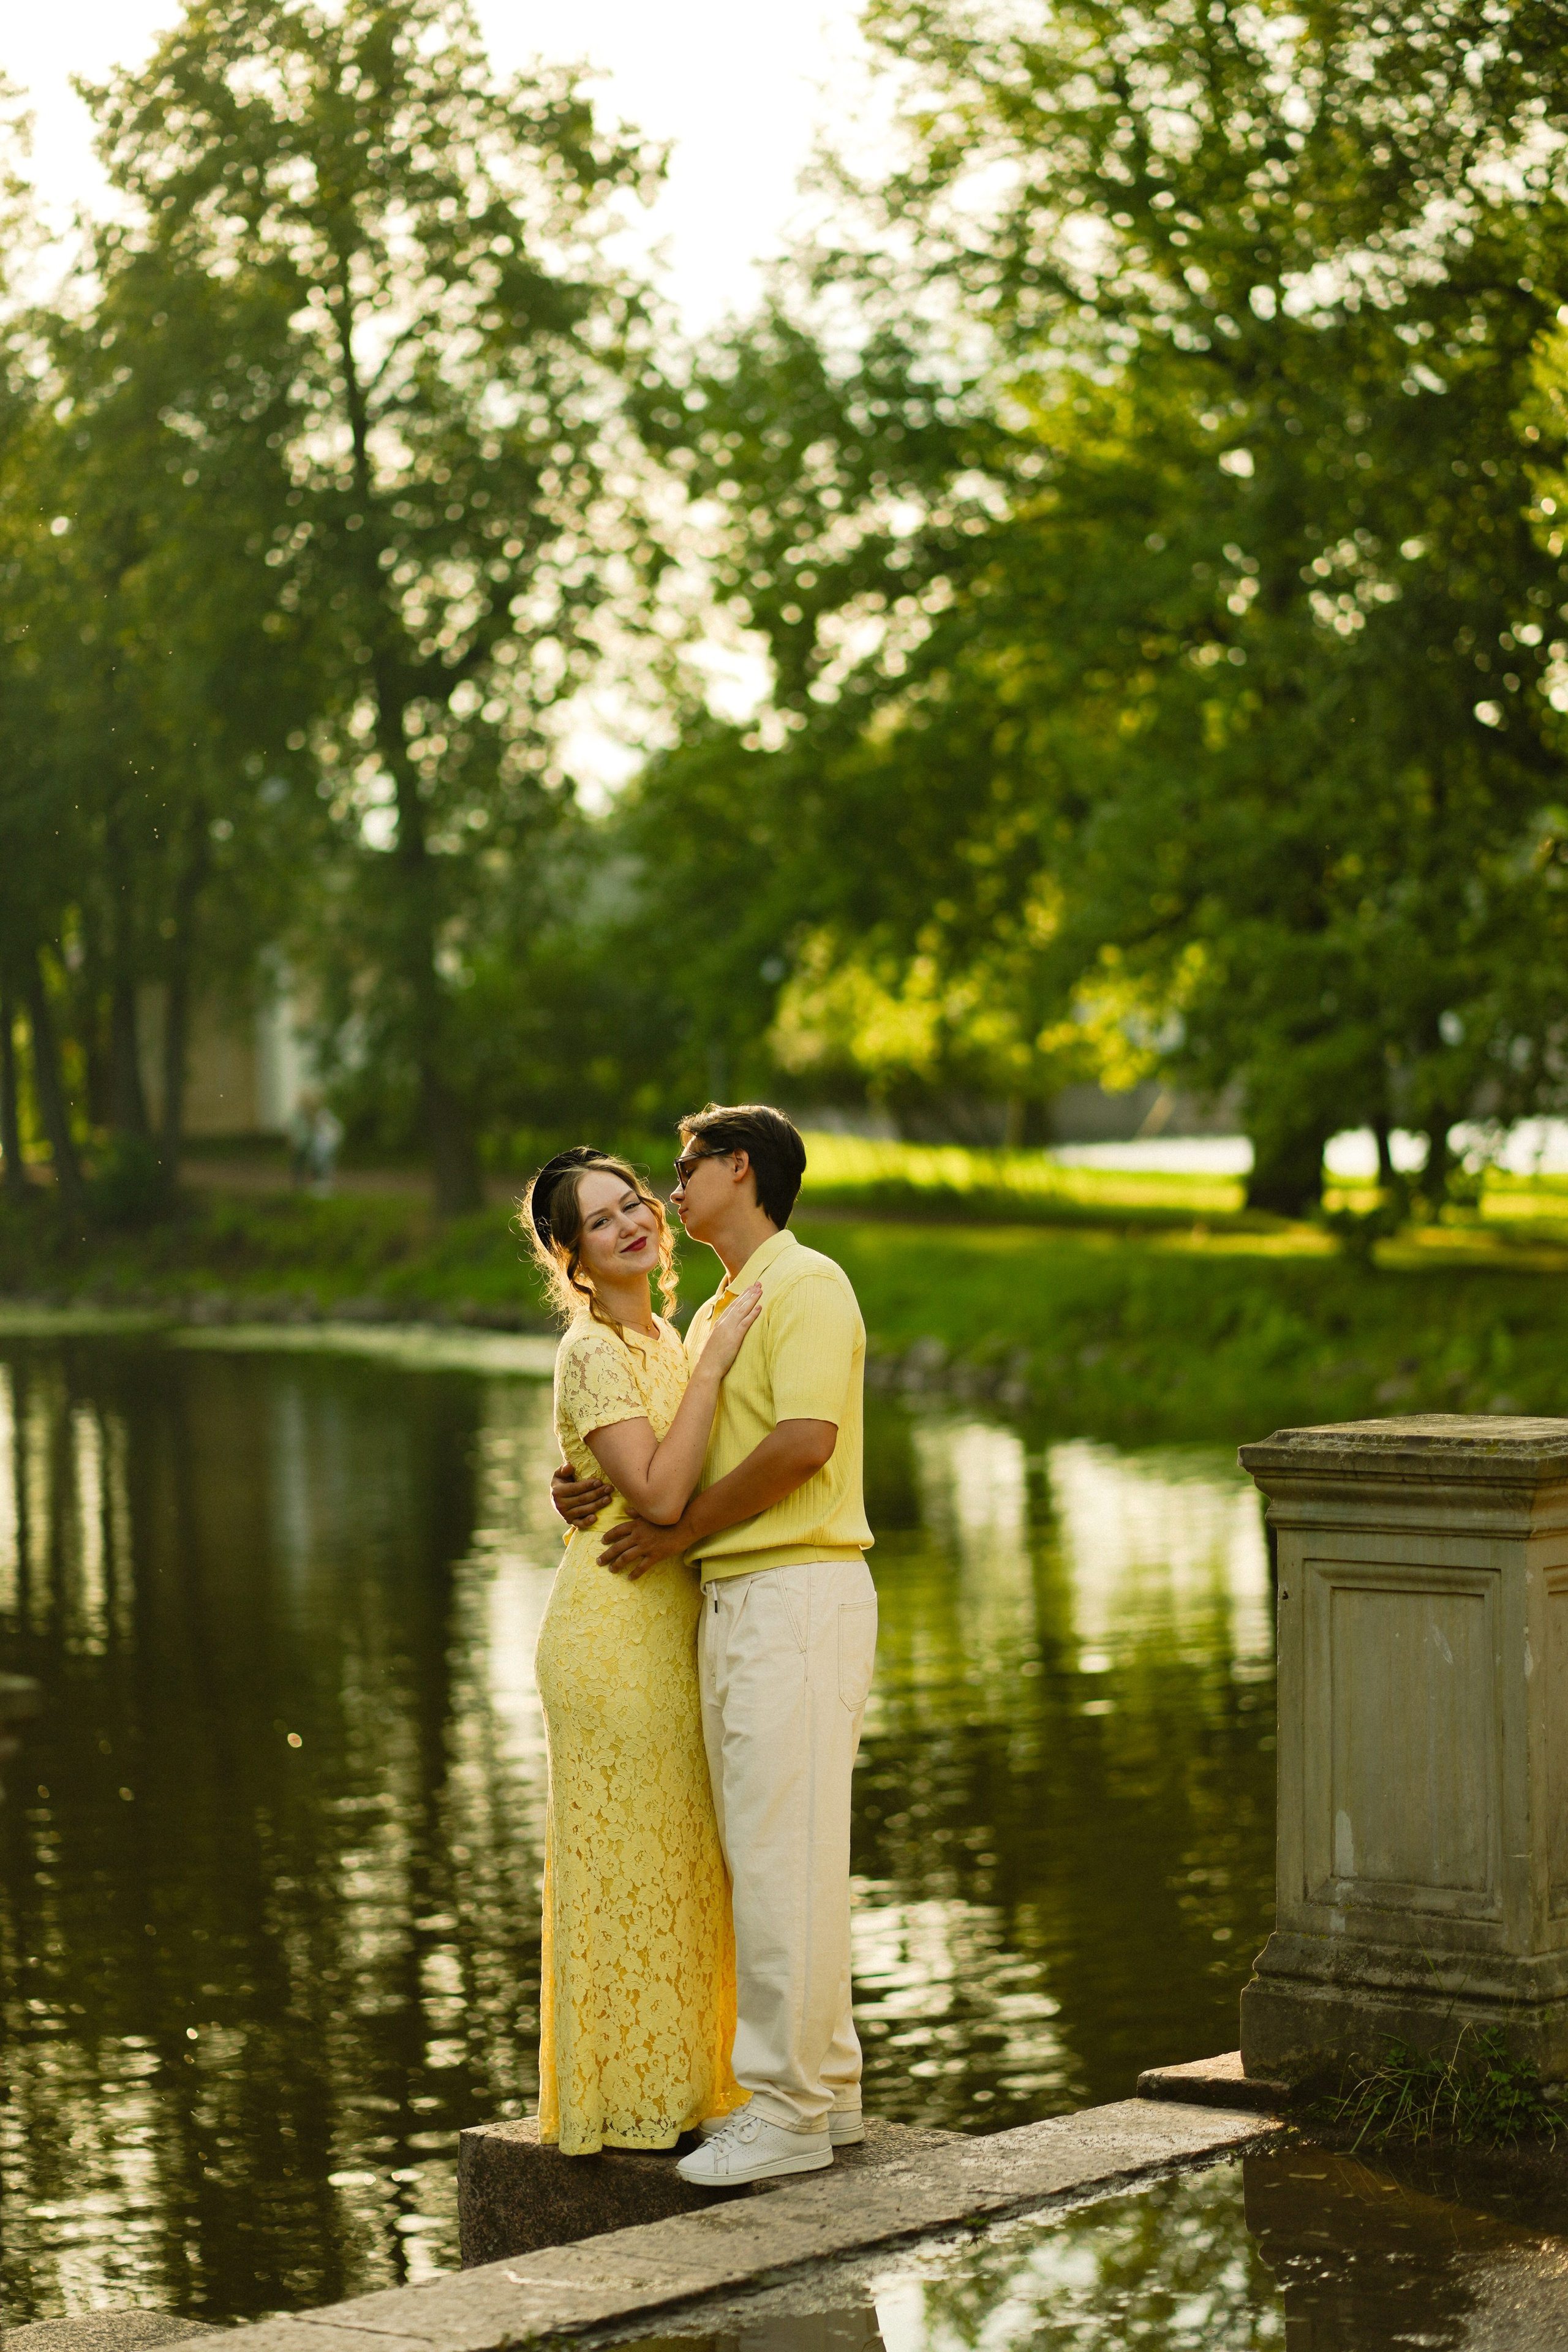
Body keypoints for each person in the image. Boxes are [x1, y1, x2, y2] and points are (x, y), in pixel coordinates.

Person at [552, 1105, 877, 2188]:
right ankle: (822, 2094)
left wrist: (680, 1527)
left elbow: (803, 1444)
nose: (667, 1190)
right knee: (784, 1859)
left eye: (681, 1169)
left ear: (741, 1171)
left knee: (783, 1860)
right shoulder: (716, 1314)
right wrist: (590, 1489)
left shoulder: (806, 1286)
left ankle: (784, 2113)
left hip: (793, 1590)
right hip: (733, 1603)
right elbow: (668, 1460)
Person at [522, 1145, 763, 2155]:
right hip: (612, 1633)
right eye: (603, 1218)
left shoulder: (666, 1332)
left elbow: (627, 1471)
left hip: (673, 1629)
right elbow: (659, 1498)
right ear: (572, 1254)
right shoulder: (594, 1350)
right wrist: (713, 1365)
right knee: (624, 1865)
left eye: (635, 1204)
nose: (632, 1222)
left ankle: (688, 2090)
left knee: (684, 1865)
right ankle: (623, 2103)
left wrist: (575, 1476)